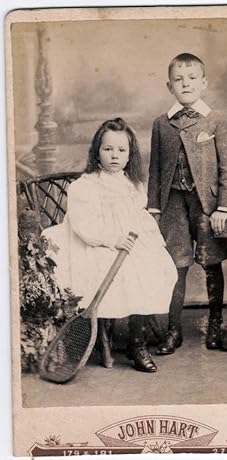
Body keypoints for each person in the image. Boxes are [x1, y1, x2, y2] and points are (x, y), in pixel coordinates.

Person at [43, 117, 177, 373]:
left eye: (121, 150)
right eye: (108, 149)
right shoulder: (86, 186)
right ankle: (136, 345)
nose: (114, 155)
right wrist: (112, 240)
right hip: (95, 245)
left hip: (129, 242)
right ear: (97, 152)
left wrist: (145, 238)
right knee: (126, 273)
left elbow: (139, 216)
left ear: (129, 155)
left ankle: (137, 343)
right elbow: (84, 226)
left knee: (152, 265)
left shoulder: (132, 185)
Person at [147, 53, 227, 355]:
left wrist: (223, 207)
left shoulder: (215, 120)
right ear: (169, 86)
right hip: (173, 203)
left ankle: (215, 323)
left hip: (207, 205)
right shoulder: (162, 124)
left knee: (211, 262)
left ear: (204, 83)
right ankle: (173, 331)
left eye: (191, 78)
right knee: (175, 265)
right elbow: (156, 170)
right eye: (178, 79)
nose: (185, 84)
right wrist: (154, 207)